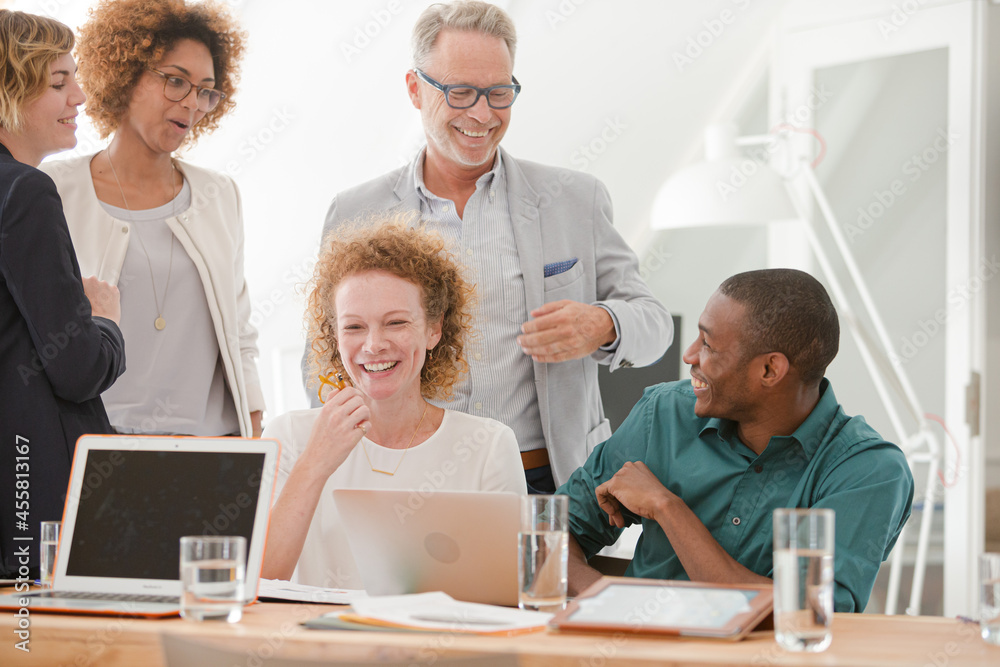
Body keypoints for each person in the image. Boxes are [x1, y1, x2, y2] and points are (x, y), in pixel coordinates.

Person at [308, 0, 673, 493]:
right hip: (405, 477)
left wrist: (602, 323)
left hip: (546, 479)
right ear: (416, 90)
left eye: (498, 93)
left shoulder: (574, 199)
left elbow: (652, 323)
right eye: (460, 92)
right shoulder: (355, 211)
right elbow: (322, 361)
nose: (481, 114)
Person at [560, 269, 915, 613]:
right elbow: (550, 534)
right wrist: (611, 607)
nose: (689, 355)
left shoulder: (867, 471)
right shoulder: (664, 413)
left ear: (769, 370)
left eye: (709, 345)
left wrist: (667, 508)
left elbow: (805, 613)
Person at [263, 218, 526, 588]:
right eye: (354, 327)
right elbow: (260, 583)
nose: (373, 345)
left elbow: (507, 593)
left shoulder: (488, 446)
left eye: (396, 323)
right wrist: (315, 462)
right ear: (335, 337)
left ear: (434, 329)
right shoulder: (288, 436)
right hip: (320, 643)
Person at [41, 0, 264, 437]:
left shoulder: (219, 195)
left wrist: (253, 425)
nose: (193, 104)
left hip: (211, 446)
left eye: (205, 90)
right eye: (176, 82)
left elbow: (239, 330)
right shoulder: (53, 190)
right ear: (125, 73)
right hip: (95, 445)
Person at [0, 9, 125, 578]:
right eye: (57, 83)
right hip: (35, 496)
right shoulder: (27, 192)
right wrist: (104, 323)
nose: (79, 96)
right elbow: (75, 368)